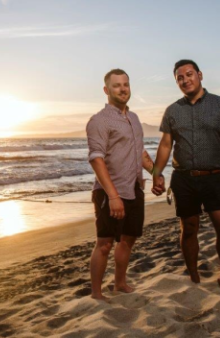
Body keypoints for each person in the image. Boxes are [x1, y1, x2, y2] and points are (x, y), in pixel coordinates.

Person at [151, 59, 220, 294]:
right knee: (189, 228)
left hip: (215, 177)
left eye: (189, 74)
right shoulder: (173, 111)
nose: (185, 80)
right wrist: (156, 173)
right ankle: (194, 275)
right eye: (180, 78)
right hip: (183, 179)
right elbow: (165, 145)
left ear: (200, 75)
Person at [86, 68, 159, 301]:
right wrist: (114, 196)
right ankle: (96, 294)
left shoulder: (134, 119)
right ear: (106, 90)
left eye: (126, 84)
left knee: (128, 240)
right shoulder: (99, 121)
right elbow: (96, 158)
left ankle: (119, 284)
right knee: (105, 244)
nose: (123, 89)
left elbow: (139, 152)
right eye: (117, 85)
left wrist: (156, 173)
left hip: (135, 188)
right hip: (110, 192)